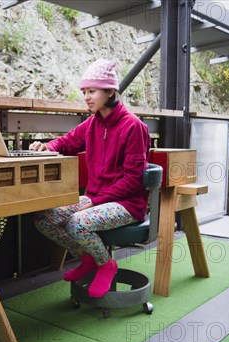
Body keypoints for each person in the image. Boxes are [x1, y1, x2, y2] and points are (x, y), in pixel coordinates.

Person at [29, 59, 151, 298]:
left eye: (92, 91)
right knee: (44, 219)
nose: (86, 97)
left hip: (127, 204)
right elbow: (66, 142)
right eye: (84, 91)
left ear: (110, 91)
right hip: (96, 199)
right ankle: (89, 258)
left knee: (77, 223)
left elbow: (133, 181)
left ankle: (106, 264)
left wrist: (95, 201)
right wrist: (46, 146)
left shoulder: (134, 127)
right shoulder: (93, 123)